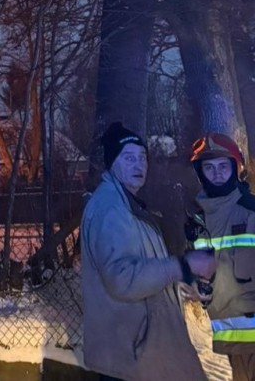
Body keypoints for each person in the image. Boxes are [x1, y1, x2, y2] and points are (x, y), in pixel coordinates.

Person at [81, 122, 213, 380]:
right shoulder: (111, 208)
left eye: (142, 158)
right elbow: (123, 279)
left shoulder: (129, 207)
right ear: (112, 164)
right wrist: (182, 266)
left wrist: (186, 284)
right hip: (129, 356)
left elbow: (147, 272)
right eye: (128, 158)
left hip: (138, 353)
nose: (138, 165)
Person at [188, 133, 255, 381]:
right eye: (209, 168)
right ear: (200, 173)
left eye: (224, 166)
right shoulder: (197, 221)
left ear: (237, 167)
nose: (217, 173)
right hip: (232, 338)